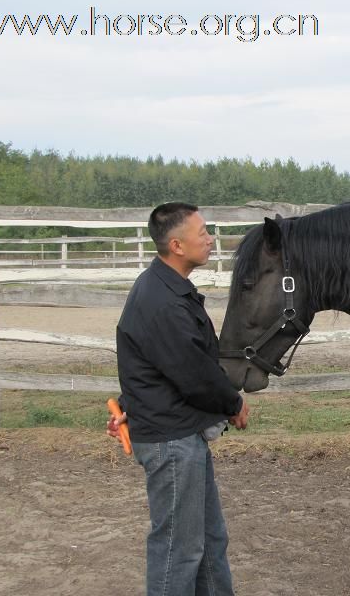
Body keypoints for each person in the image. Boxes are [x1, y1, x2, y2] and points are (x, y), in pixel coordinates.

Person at [107, 202, 249, 596]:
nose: (210, 238)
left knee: (208, 542)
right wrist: (232, 403)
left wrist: (130, 405)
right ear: (177, 245)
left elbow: (156, 364)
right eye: (202, 232)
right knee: (178, 550)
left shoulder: (166, 289)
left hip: (180, 434)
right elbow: (192, 374)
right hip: (172, 442)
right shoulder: (164, 301)